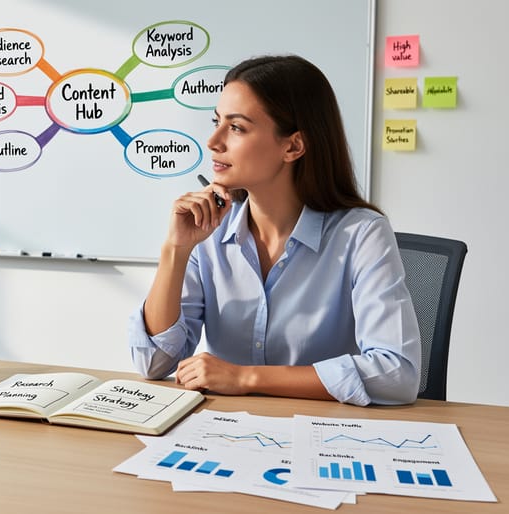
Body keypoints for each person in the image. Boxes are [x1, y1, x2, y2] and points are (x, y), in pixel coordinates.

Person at [127, 55, 420, 406]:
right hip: (225, 433)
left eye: (236, 127)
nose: (213, 141)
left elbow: (397, 374)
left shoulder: (362, 234)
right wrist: (176, 249)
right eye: (216, 122)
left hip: (321, 437)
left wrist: (245, 377)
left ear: (293, 146)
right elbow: (153, 362)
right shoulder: (208, 233)